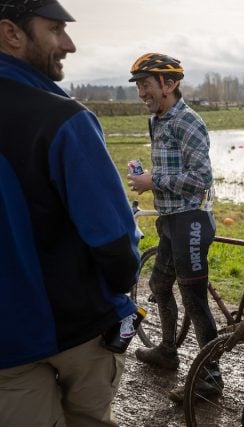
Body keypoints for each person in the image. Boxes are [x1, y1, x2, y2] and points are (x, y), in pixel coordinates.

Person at [0, 1, 141, 426]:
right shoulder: (63, 119)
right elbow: (115, 242)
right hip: (78, 329)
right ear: (11, 33)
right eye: (56, 29)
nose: (69, 44)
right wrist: (120, 289)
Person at [127, 52, 222, 402]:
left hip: (191, 220)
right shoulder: (158, 120)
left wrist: (153, 180)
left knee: (195, 301)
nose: (141, 93)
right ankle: (168, 351)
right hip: (170, 220)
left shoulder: (188, 121)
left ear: (168, 84)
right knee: (158, 284)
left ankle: (210, 379)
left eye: (146, 85)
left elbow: (201, 178)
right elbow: (172, 170)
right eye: (138, 86)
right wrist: (147, 178)